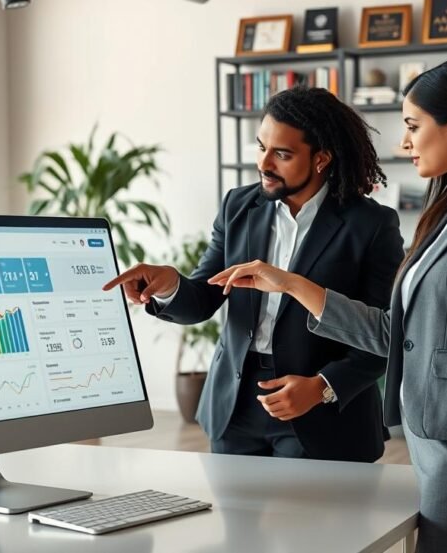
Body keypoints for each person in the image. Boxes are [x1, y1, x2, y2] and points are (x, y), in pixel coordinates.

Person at [207, 59, 447, 551]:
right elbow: (396, 332)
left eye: (413, 126)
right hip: (440, 439)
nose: (404, 142)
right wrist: (289, 283)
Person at [103, 86, 404, 462]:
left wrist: (323, 387)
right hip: (235, 407)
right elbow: (204, 297)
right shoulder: (238, 206)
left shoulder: (371, 225)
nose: (264, 164)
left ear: (321, 159)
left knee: (307, 522)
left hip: (320, 412)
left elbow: (384, 335)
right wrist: (170, 286)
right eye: (261, 148)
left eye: (282, 154)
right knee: (233, 520)